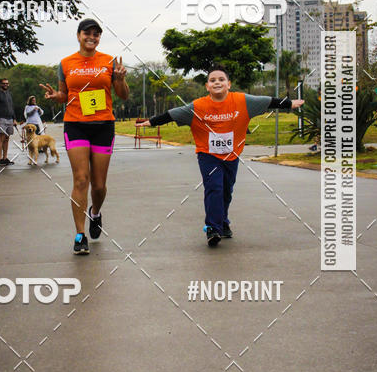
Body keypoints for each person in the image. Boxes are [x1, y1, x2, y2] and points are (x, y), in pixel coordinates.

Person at [137, 64, 305, 247]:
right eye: (212, 80)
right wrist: (151, 122)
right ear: (207, 86)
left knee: (226, 191)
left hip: (231, 156)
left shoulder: (243, 101)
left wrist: (290, 104)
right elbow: (173, 114)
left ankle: (223, 223)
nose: (217, 82)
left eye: (221, 79)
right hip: (208, 155)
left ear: (229, 84)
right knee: (214, 188)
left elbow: (268, 101)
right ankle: (212, 228)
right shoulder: (198, 106)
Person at [40, 18, 129, 254]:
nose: (92, 37)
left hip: (103, 126)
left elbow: (123, 96)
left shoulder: (109, 62)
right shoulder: (66, 63)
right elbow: (63, 94)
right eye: (87, 33)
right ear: (78, 35)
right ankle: (80, 235)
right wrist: (55, 96)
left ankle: (95, 212)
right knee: (81, 179)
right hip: (76, 124)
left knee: (98, 186)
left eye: (96, 34)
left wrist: (120, 79)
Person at [0, 77, 17, 165]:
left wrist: (14, 119)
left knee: (7, 138)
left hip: (10, 118)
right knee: (1, 138)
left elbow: (11, 106)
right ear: (0, 84)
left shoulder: (9, 93)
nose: (5, 85)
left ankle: (5, 158)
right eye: (4, 83)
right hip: (1, 118)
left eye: (7, 83)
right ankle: (0, 158)